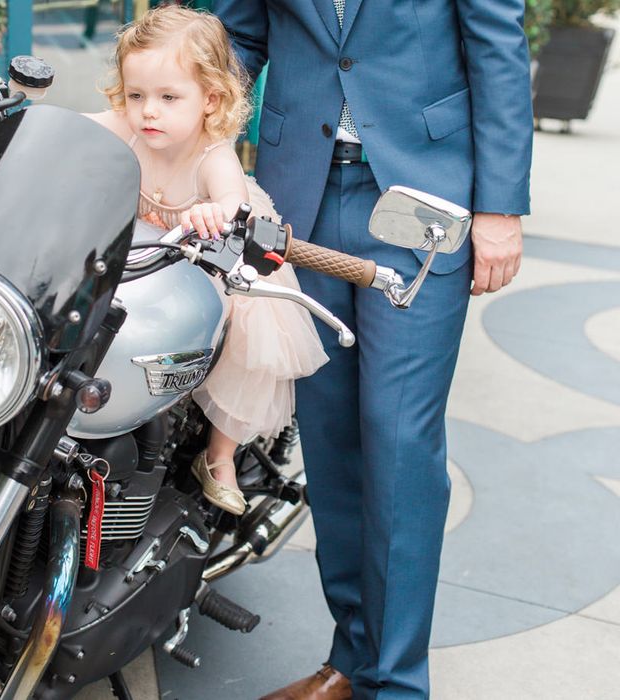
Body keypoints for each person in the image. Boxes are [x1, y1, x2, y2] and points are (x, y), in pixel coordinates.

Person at [213, 1, 533, 698]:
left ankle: (396, 686)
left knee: (399, 447)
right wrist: (174, 121)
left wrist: (501, 206)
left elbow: (496, 46)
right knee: (330, 445)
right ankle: (351, 662)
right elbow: (235, 32)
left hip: (425, 199)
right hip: (299, 194)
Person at [85, 6, 328, 516]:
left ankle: (219, 456)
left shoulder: (210, 154)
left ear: (210, 99)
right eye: (137, 95)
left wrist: (219, 210)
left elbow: (232, 198)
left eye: (169, 97)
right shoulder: (130, 128)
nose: (149, 111)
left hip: (219, 259)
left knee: (249, 340)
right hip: (146, 257)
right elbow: (74, 129)